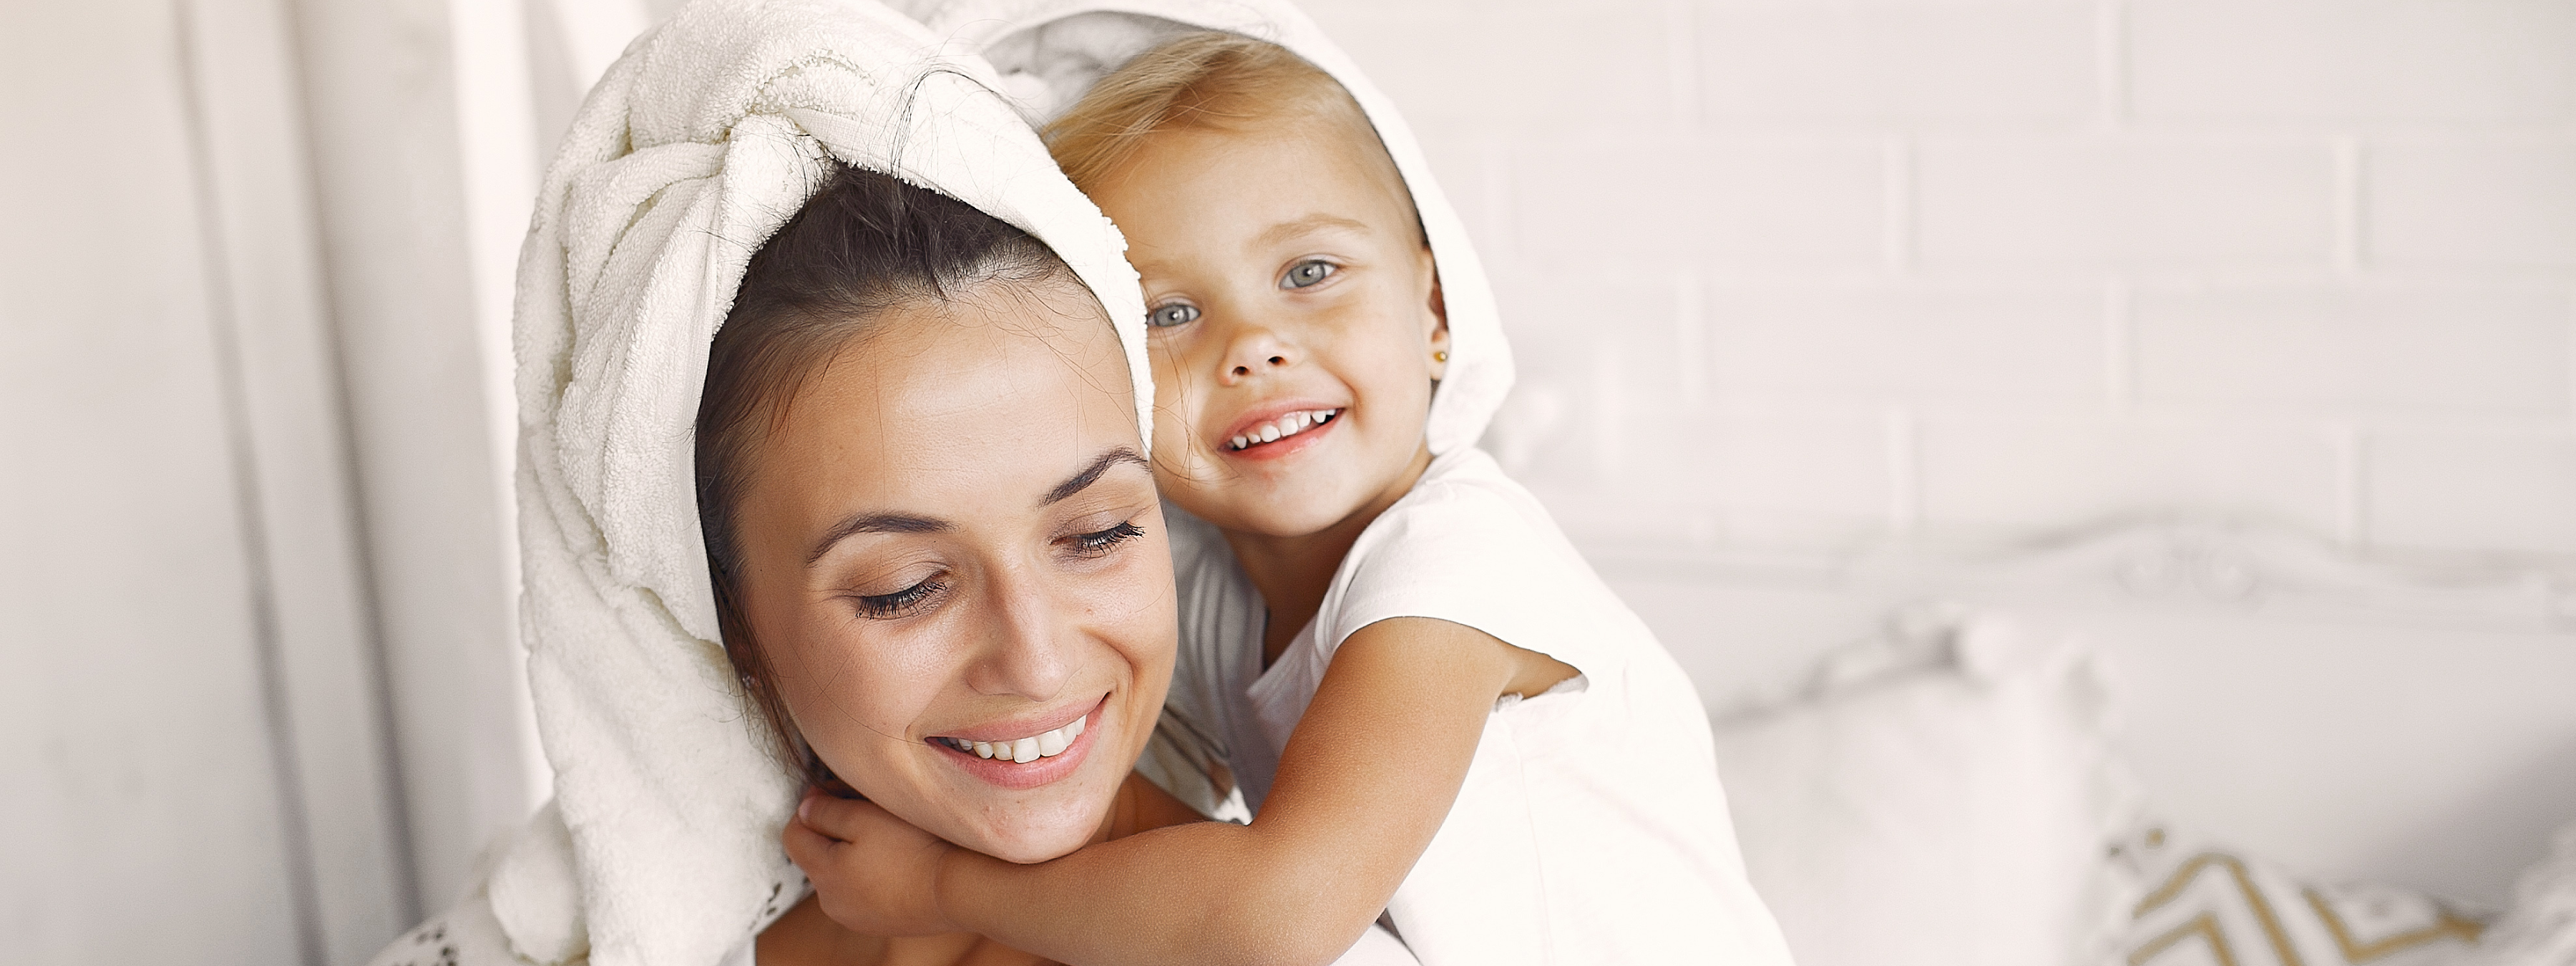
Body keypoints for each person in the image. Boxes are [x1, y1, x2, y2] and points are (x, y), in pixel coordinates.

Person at [786, 24, 1797, 966]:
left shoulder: (1460, 558)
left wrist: (944, 887)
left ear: (1436, 311)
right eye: (1170, 311)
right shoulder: (1218, 591)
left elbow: (1281, 913)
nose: (1254, 348)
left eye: (1310, 271)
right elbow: (1152, 851)